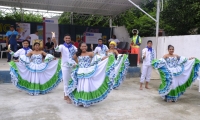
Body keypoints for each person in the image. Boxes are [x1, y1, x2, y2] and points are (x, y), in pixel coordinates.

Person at [67, 42, 116, 107]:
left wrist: (107, 57)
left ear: (87, 47)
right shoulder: (77, 54)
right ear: (80, 47)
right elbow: (70, 59)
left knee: (86, 86)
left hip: (88, 71)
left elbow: (99, 58)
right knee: (80, 86)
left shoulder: (90, 53)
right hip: (80, 71)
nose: (84, 47)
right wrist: (73, 64)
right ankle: (80, 101)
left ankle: (86, 100)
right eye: (82, 46)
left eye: (85, 46)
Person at [52, 33, 77, 103]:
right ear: (64, 39)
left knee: (72, 80)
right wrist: (55, 42)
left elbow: (78, 52)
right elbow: (56, 49)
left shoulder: (73, 47)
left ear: (70, 39)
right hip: (65, 66)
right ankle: (67, 96)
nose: (68, 39)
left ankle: (66, 94)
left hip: (72, 66)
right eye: (66, 38)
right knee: (66, 81)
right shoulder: (62, 46)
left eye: (69, 38)